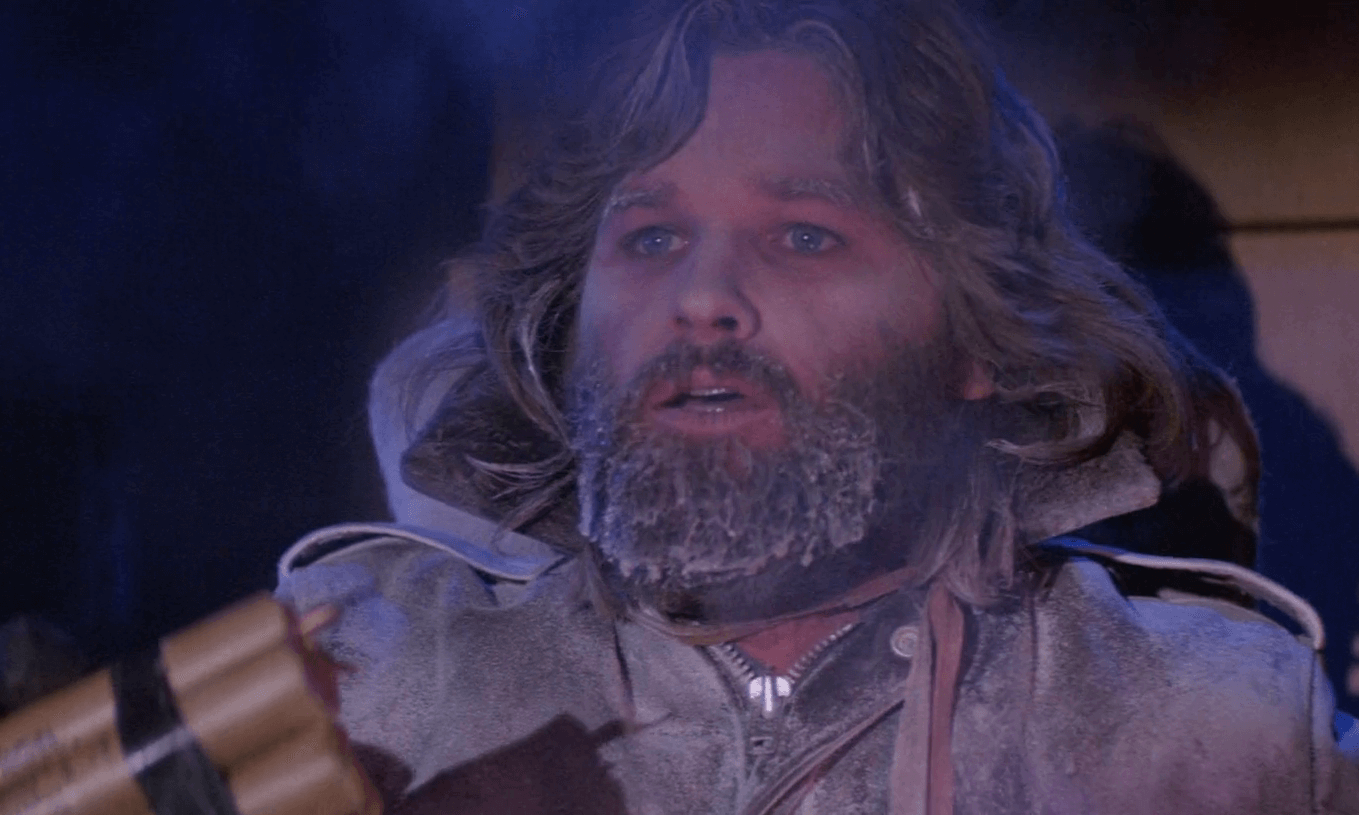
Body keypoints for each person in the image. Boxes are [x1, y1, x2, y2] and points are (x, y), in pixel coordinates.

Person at [274, 0, 1359, 813]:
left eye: (804, 235)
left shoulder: (1216, 733)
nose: (701, 295)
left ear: (976, 343)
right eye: (651, 236)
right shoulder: (358, 688)